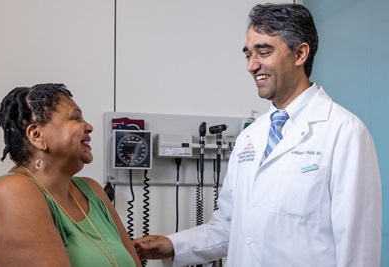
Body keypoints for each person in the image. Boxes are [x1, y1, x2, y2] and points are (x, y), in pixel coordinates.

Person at [133, 3, 382, 267]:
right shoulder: (251, 137)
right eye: (248, 55)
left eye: (263, 52)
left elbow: (358, 248)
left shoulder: (344, 132)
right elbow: (230, 226)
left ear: (300, 54)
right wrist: (174, 246)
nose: (252, 66)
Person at [0, 84, 142, 267]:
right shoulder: (11, 191)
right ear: (37, 135)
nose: (89, 127)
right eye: (76, 118)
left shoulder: (91, 191)